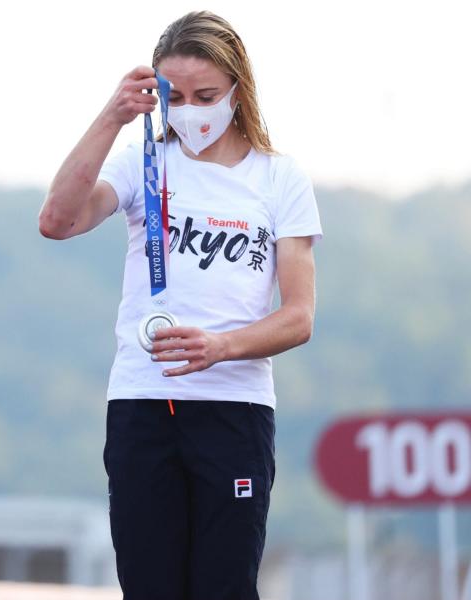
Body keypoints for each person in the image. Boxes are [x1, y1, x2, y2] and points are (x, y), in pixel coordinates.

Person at [39, 11, 321, 600]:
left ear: (238, 91)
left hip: (233, 407)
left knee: (224, 587)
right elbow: (57, 221)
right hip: (142, 402)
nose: (190, 110)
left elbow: (298, 317)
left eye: (206, 96)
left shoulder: (279, 177)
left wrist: (222, 346)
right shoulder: (143, 161)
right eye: (174, 96)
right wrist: (111, 117)